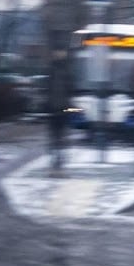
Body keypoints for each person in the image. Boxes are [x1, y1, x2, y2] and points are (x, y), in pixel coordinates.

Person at [46, 42, 74, 175]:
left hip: (63, 109)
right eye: (57, 52)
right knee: (54, 138)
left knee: (61, 137)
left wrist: (69, 108)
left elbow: (70, 90)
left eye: (61, 52)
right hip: (53, 109)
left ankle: (60, 162)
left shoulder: (66, 71)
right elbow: (47, 90)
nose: (59, 54)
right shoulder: (52, 71)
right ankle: (54, 161)